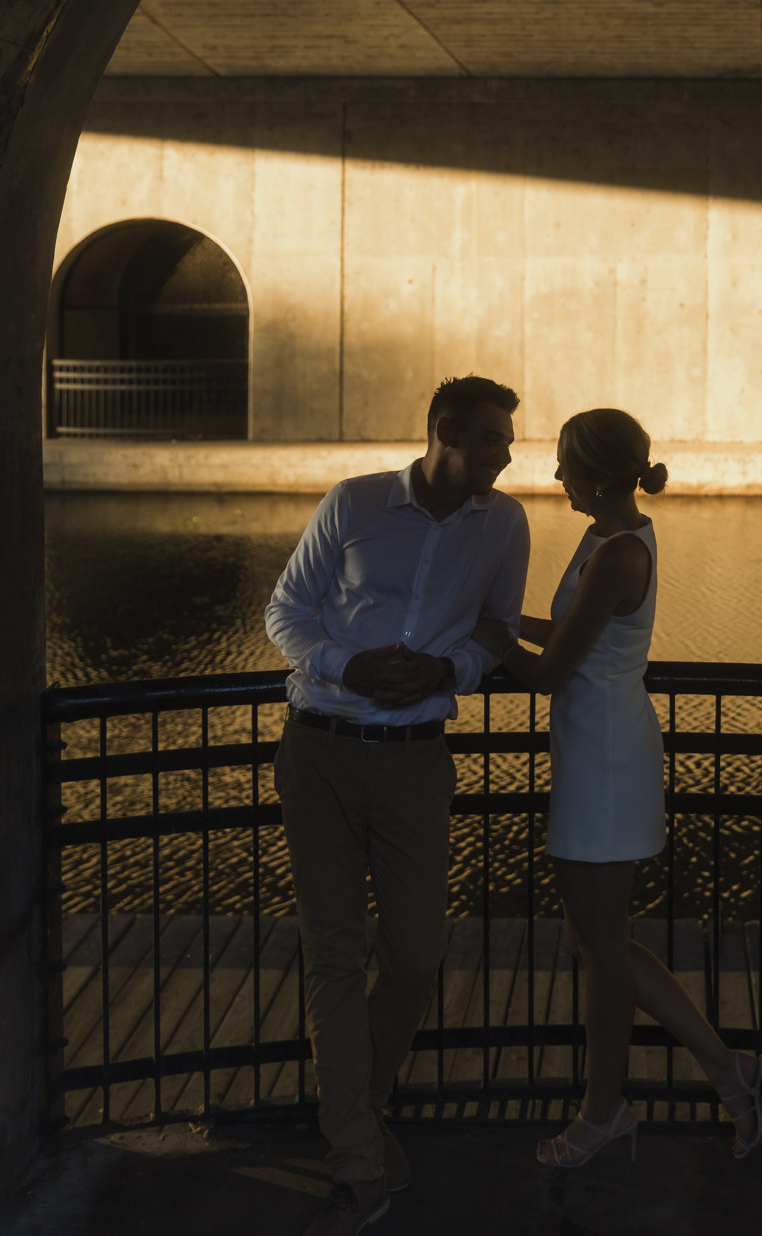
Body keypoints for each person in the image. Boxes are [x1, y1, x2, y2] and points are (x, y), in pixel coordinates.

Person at [474, 407, 762, 1168]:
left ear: (599, 475)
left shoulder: (619, 552)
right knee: (601, 942)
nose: (554, 478)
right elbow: (573, 631)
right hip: (598, 747)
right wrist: (503, 619)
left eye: (563, 466)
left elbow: (551, 674)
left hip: (607, 757)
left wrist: (491, 640)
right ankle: (726, 1070)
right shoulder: (609, 535)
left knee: (601, 949)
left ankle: (604, 1111)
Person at [265, 376, 530, 1235]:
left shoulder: (506, 524)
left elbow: (497, 628)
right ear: (445, 432)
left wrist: (449, 671)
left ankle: (362, 1107)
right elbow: (286, 610)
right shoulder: (353, 504)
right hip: (321, 749)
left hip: (418, 760)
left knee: (417, 951)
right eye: (491, 440)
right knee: (335, 954)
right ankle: (354, 1154)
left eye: (506, 443)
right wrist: (348, 666)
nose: (504, 455)